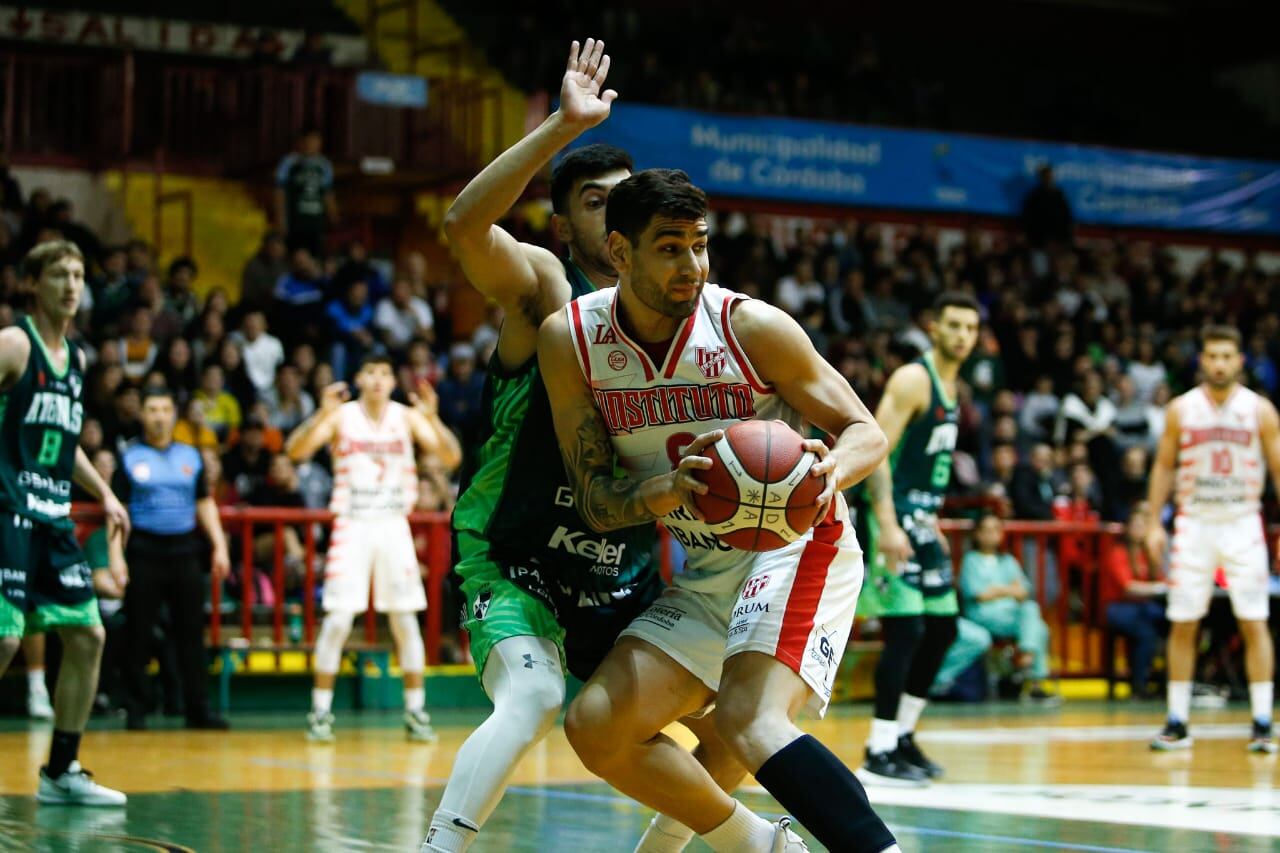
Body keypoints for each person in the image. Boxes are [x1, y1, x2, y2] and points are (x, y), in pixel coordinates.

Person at [424, 40, 752, 853]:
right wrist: (562, 128)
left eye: (626, 203)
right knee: (532, 699)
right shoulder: (544, 287)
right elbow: (464, 224)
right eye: (598, 202)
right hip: (518, 551)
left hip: (620, 564)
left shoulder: (692, 319)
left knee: (744, 717)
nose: (617, 216)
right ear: (568, 224)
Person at [539, 167, 898, 852]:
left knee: (748, 718)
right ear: (619, 252)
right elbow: (594, 501)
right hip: (707, 567)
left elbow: (866, 431)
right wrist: (668, 490)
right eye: (670, 248)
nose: (692, 266)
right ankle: (763, 845)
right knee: (595, 724)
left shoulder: (750, 326)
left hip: (796, 545)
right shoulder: (573, 340)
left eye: (700, 246)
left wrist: (829, 470)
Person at [0, 240, 131, 805]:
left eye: (79, 274)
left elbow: (63, 440)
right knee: (3, 640)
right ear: (34, 283)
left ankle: (61, 770)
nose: (72, 284)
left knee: (87, 633)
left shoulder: (76, 359)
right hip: (8, 510)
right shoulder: (12, 344)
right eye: (59, 274)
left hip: (52, 514)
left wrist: (103, 491)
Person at [286, 355, 461, 743]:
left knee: (404, 620)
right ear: (360, 378)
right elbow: (296, 452)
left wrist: (432, 417)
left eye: (386, 372)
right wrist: (319, 414)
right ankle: (320, 712)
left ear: (392, 380)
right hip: (352, 522)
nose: (379, 379)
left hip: (393, 524)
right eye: (372, 372)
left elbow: (451, 457)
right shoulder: (341, 415)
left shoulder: (407, 416)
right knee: (337, 619)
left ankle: (416, 711)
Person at [855, 292, 980, 786]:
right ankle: (878, 748)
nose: (962, 336)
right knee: (906, 630)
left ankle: (903, 735)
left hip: (923, 519)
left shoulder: (954, 385)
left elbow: (931, 466)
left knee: (944, 629)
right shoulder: (913, 379)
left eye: (970, 328)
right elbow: (876, 448)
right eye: (953, 325)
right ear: (934, 328)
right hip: (893, 517)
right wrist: (886, 520)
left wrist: (933, 523)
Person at [1145, 325, 1277, 753]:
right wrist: (1151, 522)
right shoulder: (1181, 410)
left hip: (1242, 520)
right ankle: (1177, 719)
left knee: (1254, 621)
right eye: (1212, 356)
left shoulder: (1260, 410)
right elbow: (1164, 466)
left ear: (1239, 361)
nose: (1219, 363)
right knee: (1184, 621)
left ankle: (1261, 721)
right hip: (1194, 521)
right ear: (1201, 359)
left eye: (1227, 356)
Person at [115, 388, 230, 730]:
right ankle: (136, 708)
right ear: (143, 415)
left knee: (191, 634)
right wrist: (116, 558)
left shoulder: (191, 456)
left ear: (174, 415)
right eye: (152, 409)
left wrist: (219, 545)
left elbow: (205, 503)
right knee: (137, 632)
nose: (159, 416)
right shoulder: (129, 456)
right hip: (143, 551)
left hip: (185, 552)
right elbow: (117, 511)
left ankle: (197, 708)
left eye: (165, 409)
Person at [947, 513, 1057, 702]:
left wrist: (996, 590)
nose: (991, 535)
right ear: (977, 534)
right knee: (1038, 627)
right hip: (983, 616)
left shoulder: (1008, 561)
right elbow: (980, 595)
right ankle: (1035, 678)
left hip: (1009, 616)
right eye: (986, 531)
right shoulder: (971, 560)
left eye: (996, 530)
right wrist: (1008, 590)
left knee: (1031, 610)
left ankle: (1027, 656)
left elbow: (1023, 592)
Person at [1101, 504, 1167, 698]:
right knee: (1146, 632)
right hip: (1119, 607)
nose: (1139, 530)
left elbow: (1162, 580)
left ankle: (1166, 682)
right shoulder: (1118, 552)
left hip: (1145, 606)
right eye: (1136, 525)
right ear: (1127, 528)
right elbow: (1127, 587)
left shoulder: (1149, 554)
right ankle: (1139, 684)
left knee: (1169, 623)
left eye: (1143, 526)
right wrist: (1156, 589)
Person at [274, 128, 337, 257]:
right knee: (295, 256)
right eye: (309, 140)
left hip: (316, 222)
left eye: (316, 141)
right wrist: (281, 219)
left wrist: (333, 215)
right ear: (301, 142)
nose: (312, 144)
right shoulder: (289, 162)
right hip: (296, 221)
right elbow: (279, 192)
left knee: (315, 257)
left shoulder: (324, 165)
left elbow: (327, 193)